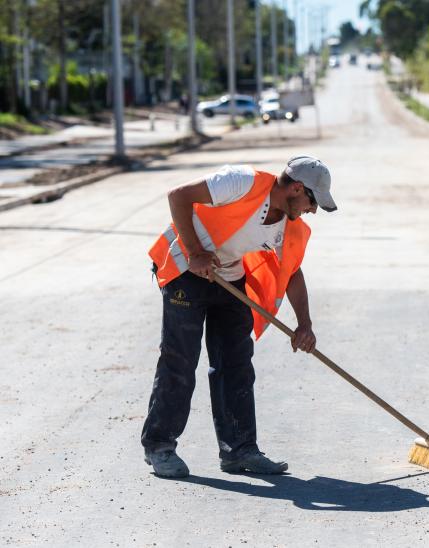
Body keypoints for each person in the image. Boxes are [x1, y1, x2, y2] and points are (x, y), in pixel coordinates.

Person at [142, 156, 337, 478]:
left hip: (229, 278)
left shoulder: (288, 226)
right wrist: (195, 252)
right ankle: (159, 446)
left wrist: (305, 324)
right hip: (185, 270)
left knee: (235, 363)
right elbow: (178, 196)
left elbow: (292, 272)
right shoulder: (241, 182)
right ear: (297, 188)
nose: (312, 210)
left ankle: (239, 450)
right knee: (180, 359)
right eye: (312, 201)